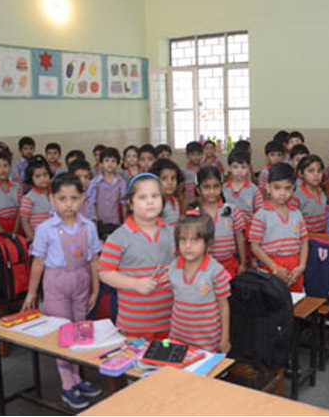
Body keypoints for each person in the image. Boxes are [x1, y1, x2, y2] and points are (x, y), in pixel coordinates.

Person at [21, 173, 102, 409]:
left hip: (81, 280)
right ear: (52, 199)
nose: (68, 204)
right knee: (64, 333)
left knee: (80, 330)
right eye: (62, 198)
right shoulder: (45, 229)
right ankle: (68, 385)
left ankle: (78, 378)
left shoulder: (88, 226)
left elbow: (94, 260)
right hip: (56, 283)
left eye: (74, 198)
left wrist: (95, 289)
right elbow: (38, 262)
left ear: (83, 198)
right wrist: (31, 293)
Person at [98, 173, 175, 339]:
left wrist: (175, 271)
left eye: (155, 196)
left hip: (170, 322)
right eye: (142, 197)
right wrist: (135, 284)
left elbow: (184, 262)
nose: (150, 201)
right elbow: (105, 272)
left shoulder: (172, 233)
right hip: (134, 324)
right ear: (130, 203)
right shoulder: (119, 237)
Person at [169, 211, 231, 353]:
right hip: (178, 337)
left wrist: (225, 338)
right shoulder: (173, 267)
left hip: (207, 341)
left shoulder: (216, 271)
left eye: (195, 240)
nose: (188, 246)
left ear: (208, 242)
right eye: (183, 240)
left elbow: (223, 305)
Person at [249, 163, 308, 293]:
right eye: (277, 187)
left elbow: (304, 241)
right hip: (271, 265)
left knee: (296, 301)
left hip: (295, 267)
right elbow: (255, 246)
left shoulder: (296, 213)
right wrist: (274, 268)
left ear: (293, 188)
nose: (282, 193)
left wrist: (302, 266)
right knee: (274, 301)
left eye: (287, 188)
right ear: (268, 187)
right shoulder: (261, 215)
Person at [195, 166, 246, 278]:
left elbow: (239, 237)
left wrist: (242, 263)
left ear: (221, 187)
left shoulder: (231, 210)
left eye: (216, 186)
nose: (212, 191)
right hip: (205, 267)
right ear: (199, 189)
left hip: (230, 265)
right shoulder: (196, 214)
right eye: (206, 187)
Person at [87, 147, 127, 239]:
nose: (110, 164)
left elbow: (123, 204)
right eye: (107, 160)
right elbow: (92, 203)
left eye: (113, 161)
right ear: (101, 163)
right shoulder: (95, 182)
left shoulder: (121, 182)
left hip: (116, 221)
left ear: (117, 164)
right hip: (100, 222)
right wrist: (95, 220)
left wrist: (125, 222)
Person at [290, 155, 327, 233]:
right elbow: (292, 221)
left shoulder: (321, 192)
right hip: (305, 235)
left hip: (322, 234)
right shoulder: (296, 196)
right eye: (311, 171)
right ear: (301, 174)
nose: (316, 174)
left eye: (319, 171)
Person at [19, 155, 52, 243]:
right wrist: (34, 240)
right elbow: (25, 222)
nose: (43, 179)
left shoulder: (56, 194)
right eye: (38, 176)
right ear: (31, 178)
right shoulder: (28, 198)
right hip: (38, 240)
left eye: (45, 174)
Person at [150, 158, 184, 227]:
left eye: (173, 178)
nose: (170, 182)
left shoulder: (175, 201)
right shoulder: (155, 203)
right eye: (164, 179)